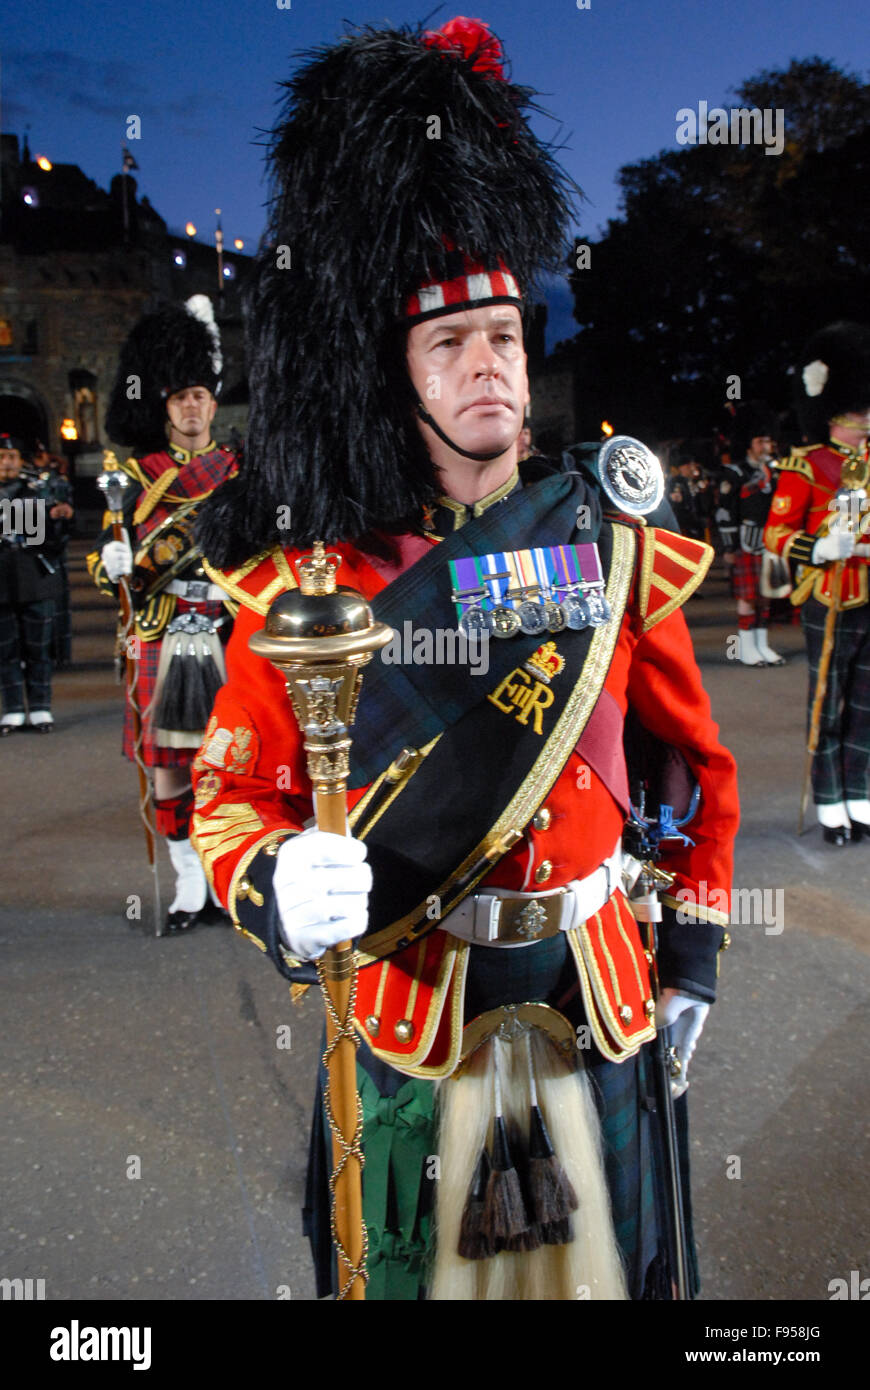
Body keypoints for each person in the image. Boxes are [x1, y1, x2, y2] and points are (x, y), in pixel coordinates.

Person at [191, 17, 738, 1300]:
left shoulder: (610, 543)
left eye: (503, 335)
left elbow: (694, 759)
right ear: (400, 375)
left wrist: (699, 944)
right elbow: (233, 795)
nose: (487, 363)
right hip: (417, 1006)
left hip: (598, 985)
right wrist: (273, 875)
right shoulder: (315, 583)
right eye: (449, 342)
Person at [86, 296, 239, 928]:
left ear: (213, 400)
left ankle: (229, 874)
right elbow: (102, 568)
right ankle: (188, 884)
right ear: (164, 404)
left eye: (202, 395)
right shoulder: (136, 476)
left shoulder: (237, 472)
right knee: (170, 769)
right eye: (181, 397)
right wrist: (114, 565)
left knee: (232, 762)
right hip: (164, 632)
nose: (193, 407)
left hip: (230, 632)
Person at [764, 322, 870, 845]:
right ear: (837, 412)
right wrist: (820, 549)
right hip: (828, 595)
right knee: (828, 702)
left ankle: (860, 797)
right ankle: (830, 804)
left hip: (869, 594)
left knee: (866, 704)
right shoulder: (806, 466)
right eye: (860, 410)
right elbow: (775, 534)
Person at [0, 433, 73, 733]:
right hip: (1, 582)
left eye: (12, 457)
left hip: (36, 578)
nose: (7, 462)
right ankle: (13, 709)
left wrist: (59, 519)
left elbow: (56, 541)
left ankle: (41, 707)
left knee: (38, 648)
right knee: (5, 650)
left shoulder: (39, 490)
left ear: (21, 460)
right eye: (2, 457)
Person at [724, 402, 787, 666]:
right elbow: (725, 512)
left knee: (766, 596)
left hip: (770, 541)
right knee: (748, 598)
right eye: (761, 442)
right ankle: (745, 648)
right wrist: (729, 546)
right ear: (750, 444)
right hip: (746, 543)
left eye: (769, 442)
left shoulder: (777, 472)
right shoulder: (736, 473)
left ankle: (762, 646)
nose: (766, 447)